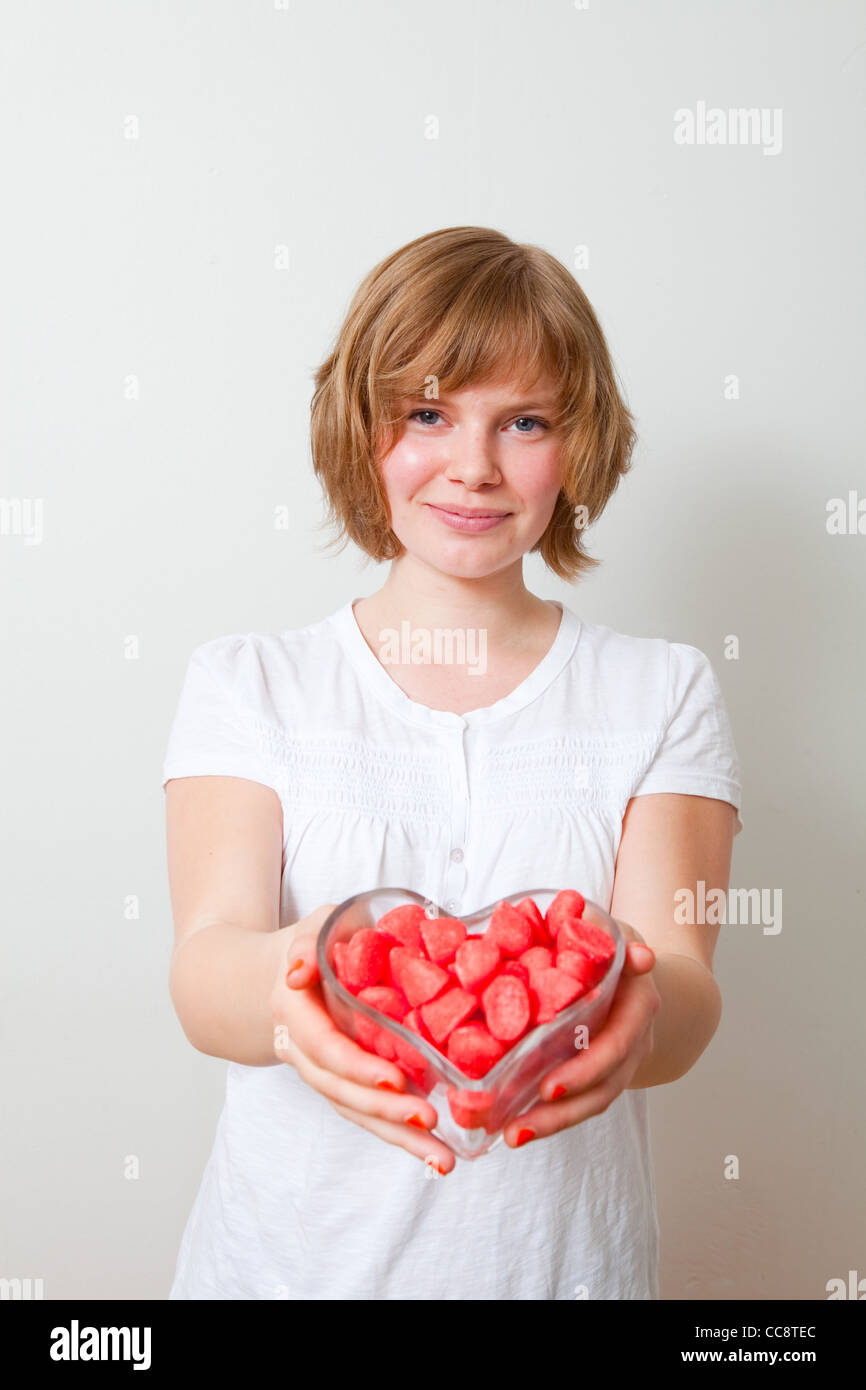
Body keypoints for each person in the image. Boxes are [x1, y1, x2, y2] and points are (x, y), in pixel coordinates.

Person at [162, 225, 742, 1300]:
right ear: (361, 429)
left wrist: (633, 1003)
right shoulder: (250, 683)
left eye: (522, 421)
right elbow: (204, 972)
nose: (473, 464)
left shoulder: (659, 690)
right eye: (427, 413)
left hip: (562, 1275)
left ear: (577, 447)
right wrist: (300, 994)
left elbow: (685, 984)